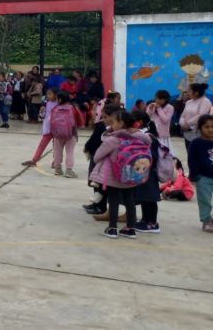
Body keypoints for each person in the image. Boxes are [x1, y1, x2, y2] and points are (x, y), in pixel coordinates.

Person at [90, 108, 148, 239]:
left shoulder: (113, 140)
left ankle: (112, 229)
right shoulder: (137, 138)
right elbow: (149, 140)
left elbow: (97, 157)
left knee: (114, 201)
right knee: (130, 201)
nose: (112, 126)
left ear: (121, 124)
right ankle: (130, 229)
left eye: (114, 123)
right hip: (131, 175)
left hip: (114, 176)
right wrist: (137, 131)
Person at [82, 102, 120, 216]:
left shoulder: (113, 130)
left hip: (103, 159)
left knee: (102, 184)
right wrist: (87, 147)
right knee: (95, 182)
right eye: (102, 116)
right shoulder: (102, 126)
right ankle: (96, 204)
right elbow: (93, 139)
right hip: (97, 156)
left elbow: (95, 140)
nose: (102, 119)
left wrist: (87, 146)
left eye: (105, 117)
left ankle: (101, 207)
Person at [186, 113, 213, 233]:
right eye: (207, 127)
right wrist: (196, 176)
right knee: (205, 200)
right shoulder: (196, 143)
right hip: (204, 178)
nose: (210, 129)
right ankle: (206, 221)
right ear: (200, 128)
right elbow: (192, 160)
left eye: (212, 126)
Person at [23, 88, 59, 166]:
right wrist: (42, 111)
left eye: (50, 94)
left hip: (57, 128)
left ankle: (56, 161)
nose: (48, 96)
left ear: (55, 95)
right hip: (47, 127)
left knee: (56, 146)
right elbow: (43, 116)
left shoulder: (59, 104)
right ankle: (34, 159)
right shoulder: (46, 103)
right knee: (42, 144)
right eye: (47, 94)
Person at [48, 90, 80, 177]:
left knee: (57, 150)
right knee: (70, 151)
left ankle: (57, 168)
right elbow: (80, 121)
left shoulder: (55, 109)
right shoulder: (73, 108)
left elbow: (51, 121)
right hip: (71, 133)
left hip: (58, 134)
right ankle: (69, 170)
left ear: (60, 99)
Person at [179, 83, 212, 151]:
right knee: (190, 154)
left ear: (196, 93)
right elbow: (183, 115)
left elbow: (201, 115)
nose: (187, 93)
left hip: (198, 133)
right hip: (187, 132)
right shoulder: (188, 102)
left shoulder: (205, 101)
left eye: (189, 91)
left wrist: (188, 123)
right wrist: (182, 124)